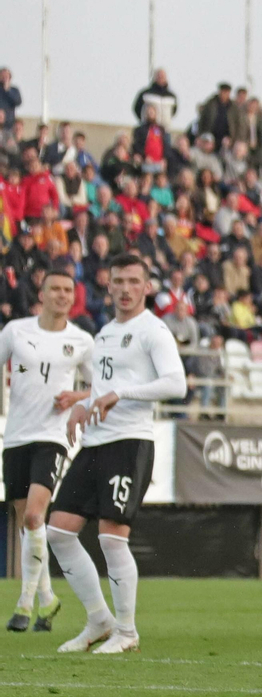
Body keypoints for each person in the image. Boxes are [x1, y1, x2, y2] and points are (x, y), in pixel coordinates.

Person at [49, 254, 187, 654]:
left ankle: (127, 631)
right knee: (58, 530)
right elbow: (104, 386)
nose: (125, 288)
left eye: (133, 281)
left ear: (146, 287)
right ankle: (99, 619)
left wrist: (119, 394)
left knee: (112, 538)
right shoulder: (106, 332)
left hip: (129, 442)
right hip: (94, 441)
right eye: (118, 281)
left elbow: (176, 384)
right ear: (107, 287)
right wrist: (82, 401)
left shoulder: (153, 331)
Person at [2, 267, 94, 632]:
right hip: (16, 437)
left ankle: (23, 607)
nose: (62, 295)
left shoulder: (82, 340)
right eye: (54, 289)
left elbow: (109, 381)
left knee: (35, 517)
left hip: (52, 437)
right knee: (27, 525)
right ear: (41, 294)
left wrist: (78, 396)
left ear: (73, 296)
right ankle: (47, 599)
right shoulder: (16, 331)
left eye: (68, 290)